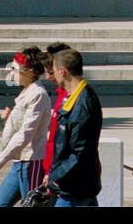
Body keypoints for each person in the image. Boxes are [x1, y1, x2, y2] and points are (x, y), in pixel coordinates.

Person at [0, 46, 51, 206]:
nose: (12, 73)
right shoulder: (28, 92)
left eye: (15, 69)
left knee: (32, 203)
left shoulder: (38, 94)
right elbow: (23, 128)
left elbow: (26, 134)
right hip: (19, 162)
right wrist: (9, 120)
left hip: (31, 162)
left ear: (30, 71)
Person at [43, 49, 102, 207]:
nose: (52, 76)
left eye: (53, 71)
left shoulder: (82, 103)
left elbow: (79, 152)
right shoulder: (75, 97)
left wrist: (56, 175)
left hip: (74, 189)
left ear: (62, 71)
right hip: (78, 185)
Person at [41, 41, 72, 180]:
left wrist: (51, 172)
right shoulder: (61, 95)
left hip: (65, 172)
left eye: (51, 72)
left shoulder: (74, 98)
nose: (48, 77)